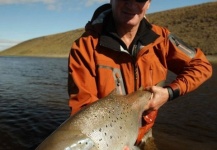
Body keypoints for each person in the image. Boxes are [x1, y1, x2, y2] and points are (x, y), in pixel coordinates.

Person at [68, 0, 212, 149]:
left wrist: (168, 93)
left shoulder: (161, 39)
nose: (131, 4)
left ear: (148, 3)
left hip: (145, 134)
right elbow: (83, 111)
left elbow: (201, 65)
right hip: (111, 139)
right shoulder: (84, 48)